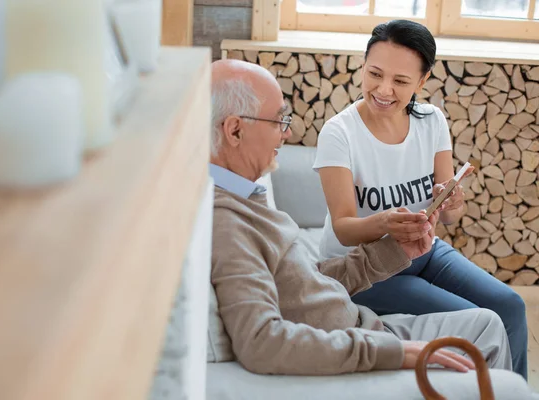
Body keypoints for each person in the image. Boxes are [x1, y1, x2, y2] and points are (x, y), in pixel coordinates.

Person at [209, 58, 512, 376]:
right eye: (277, 121)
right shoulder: (226, 222)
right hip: (359, 343)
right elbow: (260, 343)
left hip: (360, 329)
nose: (285, 134)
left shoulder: (243, 197)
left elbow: (301, 285)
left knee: (492, 320)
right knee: (488, 330)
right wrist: (394, 352)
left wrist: (396, 251)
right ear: (235, 130)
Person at [312, 19, 527, 379]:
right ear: (363, 66)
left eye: (400, 81)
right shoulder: (339, 133)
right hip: (362, 268)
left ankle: (513, 391)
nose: (383, 89)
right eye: (374, 74)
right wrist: (385, 222)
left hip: (422, 252)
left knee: (510, 305)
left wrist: (452, 203)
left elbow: (448, 217)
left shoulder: (432, 122)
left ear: (422, 81)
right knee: (480, 322)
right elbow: (345, 229)